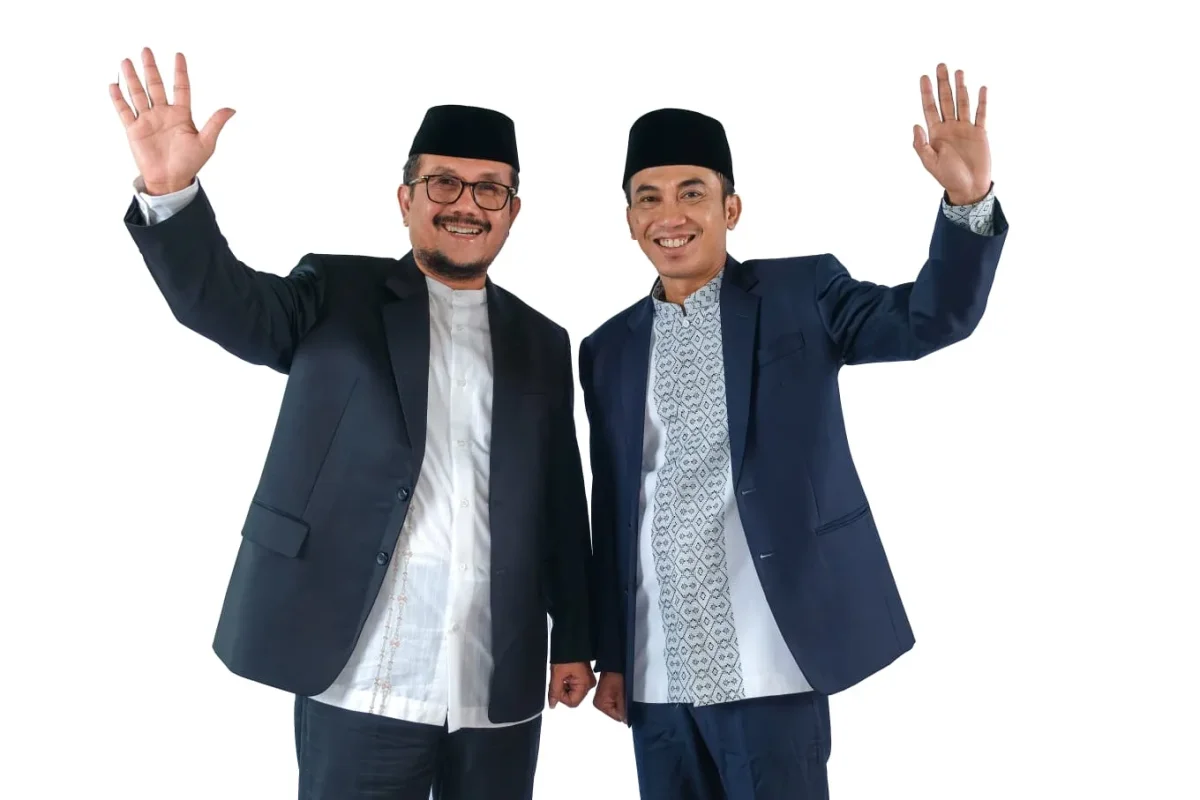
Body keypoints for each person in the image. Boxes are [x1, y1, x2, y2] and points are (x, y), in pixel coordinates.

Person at [110, 47, 595, 800]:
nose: (466, 203)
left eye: (490, 189)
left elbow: (561, 502)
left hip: (494, 686)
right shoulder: (337, 292)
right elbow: (227, 305)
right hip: (363, 677)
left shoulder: (542, 340)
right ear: (405, 198)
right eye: (443, 182)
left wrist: (577, 637)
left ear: (512, 211)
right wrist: (173, 194)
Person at [580, 63, 1008, 798]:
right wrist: (612, 653)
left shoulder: (799, 294)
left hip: (770, 657)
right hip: (658, 672)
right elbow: (615, 506)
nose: (669, 214)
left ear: (731, 207)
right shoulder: (606, 348)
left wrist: (967, 203)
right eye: (648, 198)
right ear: (629, 219)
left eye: (692, 193)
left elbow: (930, 318)